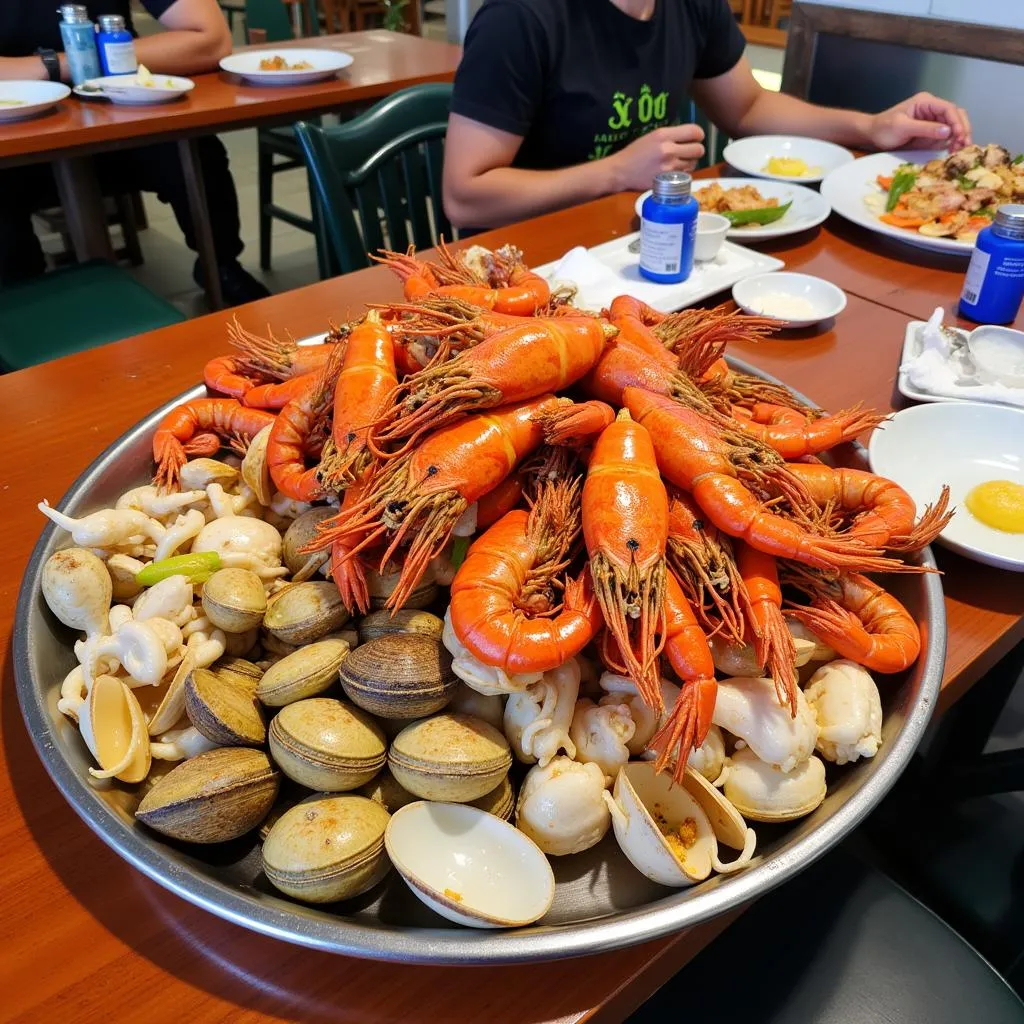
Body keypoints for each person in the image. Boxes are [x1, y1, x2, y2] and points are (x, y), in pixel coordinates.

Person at [442, 0, 973, 229]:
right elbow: (465, 197)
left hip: (649, 242)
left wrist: (872, 127)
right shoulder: (520, 18)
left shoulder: (690, 6)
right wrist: (614, 172)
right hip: (533, 262)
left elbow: (748, 106)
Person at [0, 0, 269, 305]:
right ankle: (23, 308)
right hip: (14, 133)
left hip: (117, 113)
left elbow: (211, 38)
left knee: (193, 151)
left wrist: (55, 65)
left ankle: (221, 265)